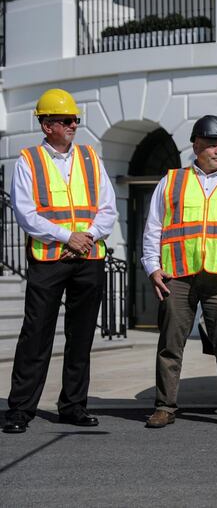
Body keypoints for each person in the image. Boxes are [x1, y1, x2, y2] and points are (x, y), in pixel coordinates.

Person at [3, 89, 118, 434]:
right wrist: (68, 237)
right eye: (66, 121)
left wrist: (88, 237)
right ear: (46, 124)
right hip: (49, 261)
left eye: (75, 120)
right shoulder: (29, 160)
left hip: (89, 258)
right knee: (36, 335)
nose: (73, 126)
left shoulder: (90, 158)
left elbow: (107, 208)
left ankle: (73, 406)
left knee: (81, 337)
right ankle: (21, 409)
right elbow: (25, 213)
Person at [141, 115, 217, 429]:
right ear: (196, 145)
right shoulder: (171, 181)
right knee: (170, 344)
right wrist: (153, 267)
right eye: (212, 144)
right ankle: (164, 407)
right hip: (178, 275)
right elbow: (153, 227)